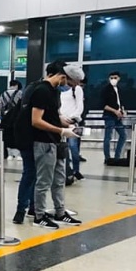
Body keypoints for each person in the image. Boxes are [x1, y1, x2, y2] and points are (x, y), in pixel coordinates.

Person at [29, 61, 83, 229]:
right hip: (43, 142)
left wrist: (68, 125)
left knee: (59, 179)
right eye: (71, 83)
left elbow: (53, 116)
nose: (70, 87)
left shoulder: (54, 92)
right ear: (63, 77)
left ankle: (60, 212)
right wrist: (61, 131)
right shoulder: (41, 91)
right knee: (44, 181)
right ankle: (39, 215)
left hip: (56, 141)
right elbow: (36, 121)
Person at [60, 77, 85, 183]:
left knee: (73, 147)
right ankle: (66, 171)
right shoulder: (58, 90)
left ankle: (76, 170)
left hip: (72, 122)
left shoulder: (77, 89)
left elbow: (80, 107)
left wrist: (71, 118)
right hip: (61, 122)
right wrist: (61, 117)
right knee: (62, 148)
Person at [101, 71, 127, 163]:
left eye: (115, 78)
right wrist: (115, 111)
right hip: (109, 115)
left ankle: (117, 157)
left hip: (118, 116)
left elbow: (120, 102)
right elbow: (103, 105)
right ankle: (107, 158)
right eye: (111, 78)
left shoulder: (119, 89)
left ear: (119, 78)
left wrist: (122, 111)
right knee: (108, 137)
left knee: (123, 135)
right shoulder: (106, 89)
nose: (113, 80)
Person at [0, 80, 23, 159]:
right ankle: (18, 155)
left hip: (6, 118)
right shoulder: (20, 93)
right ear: (17, 85)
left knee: (7, 136)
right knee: (17, 135)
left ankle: (9, 154)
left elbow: (1, 107)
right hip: (17, 117)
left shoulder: (3, 94)